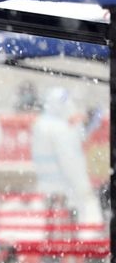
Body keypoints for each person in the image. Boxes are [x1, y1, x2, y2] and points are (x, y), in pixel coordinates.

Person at [30, 86, 104, 228]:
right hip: (65, 191)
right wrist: (83, 188)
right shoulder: (61, 129)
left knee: (52, 231)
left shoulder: (41, 124)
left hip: (48, 188)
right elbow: (71, 162)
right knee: (67, 237)